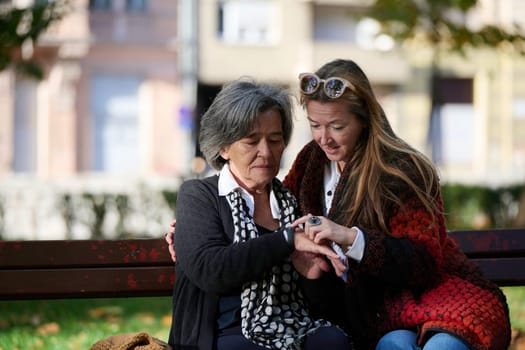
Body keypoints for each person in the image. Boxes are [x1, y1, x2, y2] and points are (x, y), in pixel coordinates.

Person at [283, 59, 511, 350]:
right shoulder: (310, 163)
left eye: (337, 126)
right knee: (394, 345)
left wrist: (351, 237)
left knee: (442, 347)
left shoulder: (402, 169)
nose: (324, 138)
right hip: (374, 315)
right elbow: (283, 222)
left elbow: (424, 262)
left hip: (435, 297)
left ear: (364, 119)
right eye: (315, 125)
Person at [167, 77, 351, 350]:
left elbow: (325, 305)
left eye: (275, 140)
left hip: (291, 326)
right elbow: (209, 269)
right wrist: (286, 241)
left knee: (333, 341)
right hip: (222, 334)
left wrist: (311, 278)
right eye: (251, 141)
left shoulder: (291, 203)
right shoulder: (200, 196)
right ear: (224, 147)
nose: (266, 152)